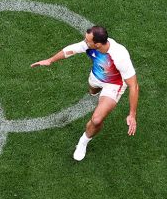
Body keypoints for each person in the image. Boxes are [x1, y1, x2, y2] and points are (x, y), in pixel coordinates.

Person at [30, 26, 140, 161]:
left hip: (114, 84)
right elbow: (70, 50)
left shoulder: (119, 56)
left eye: (88, 41)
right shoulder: (90, 45)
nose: (85, 42)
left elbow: (133, 85)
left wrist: (132, 114)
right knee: (92, 91)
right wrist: (50, 60)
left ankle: (83, 141)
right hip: (96, 77)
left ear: (98, 44)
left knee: (97, 119)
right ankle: (96, 94)